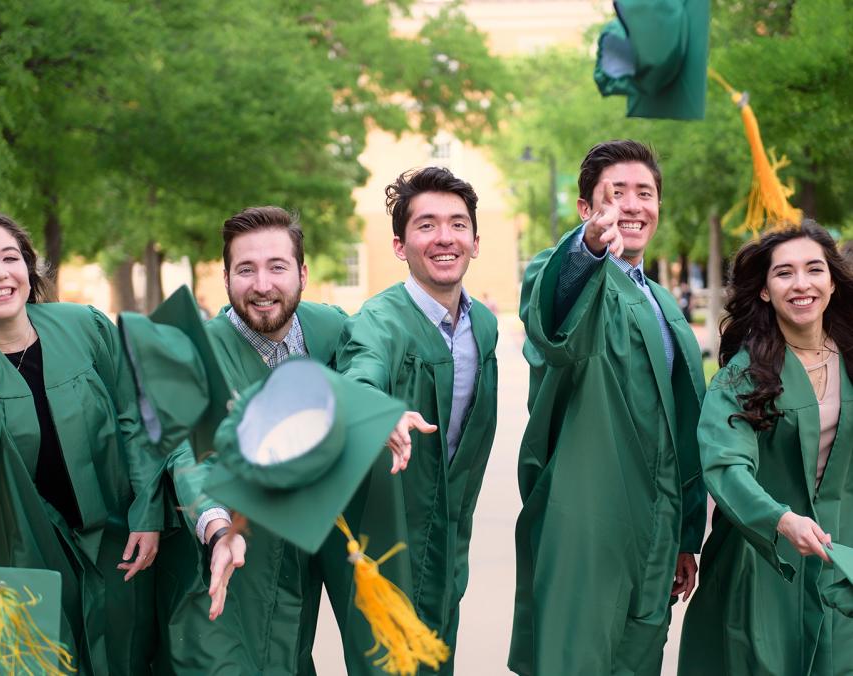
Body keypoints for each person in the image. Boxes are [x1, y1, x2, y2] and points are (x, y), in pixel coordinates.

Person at [509, 140, 707, 675]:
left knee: (639, 660)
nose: (633, 205)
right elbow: (552, 324)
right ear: (585, 211)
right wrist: (588, 248)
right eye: (615, 194)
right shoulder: (571, 270)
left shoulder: (661, 301)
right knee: (575, 662)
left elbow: (683, 423)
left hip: (658, 524)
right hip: (590, 516)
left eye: (645, 192)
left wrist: (687, 535)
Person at [0, 211, 164, 675]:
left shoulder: (84, 326)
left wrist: (148, 513)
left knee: (129, 659)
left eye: (10, 257)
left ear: (29, 271)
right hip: (28, 558)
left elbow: (137, 417)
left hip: (119, 546)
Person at [156, 206, 349, 675]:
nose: (262, 285)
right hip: (223, 568)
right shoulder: (193, 349)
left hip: (300, 567)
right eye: (246, 269)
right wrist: (218, 528)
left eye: (277, 267)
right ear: (225, 278)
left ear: (302, 272)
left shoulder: (332, 332)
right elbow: (184, 453)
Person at [326, 166, 498, 674]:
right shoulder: (379, 321)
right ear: (400, 245)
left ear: (475, 240)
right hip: (387, 544)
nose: (444, 237)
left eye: (457, 224)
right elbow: (360, 374)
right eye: (426, 225)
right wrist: (383, 412)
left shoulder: (482, 324)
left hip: (448, 538)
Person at [678, 221, 853, 675]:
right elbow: (725, 464)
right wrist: (778, 518)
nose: (801, 284)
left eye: (814, 269)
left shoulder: (850, 360)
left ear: (832, 282)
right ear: (764, 291)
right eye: (784, 273)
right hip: (761, 562)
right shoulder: (743, 377)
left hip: (840, 557)